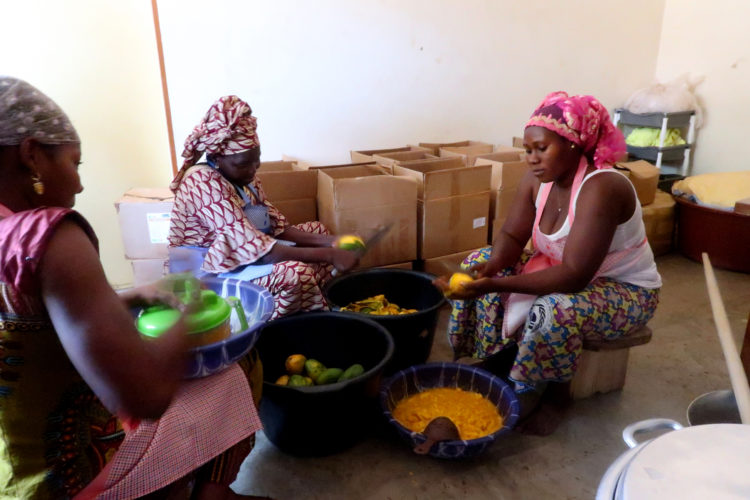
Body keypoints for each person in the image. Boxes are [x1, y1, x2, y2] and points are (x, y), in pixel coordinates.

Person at [0, 76, 261, 499]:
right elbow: (145, 395)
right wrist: (188, 312)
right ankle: (205, 492)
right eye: (74, 162)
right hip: (75, 475)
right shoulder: (46, 236)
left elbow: (27, 324)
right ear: (32, 156)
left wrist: (121, 298)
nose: (80, 184)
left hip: (13, 473)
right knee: (234, 372)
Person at [434, 91, 661, 427]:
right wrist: (491, 267)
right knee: (478, 260)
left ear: (573, 144)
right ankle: (496, 360)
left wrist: (493, 283)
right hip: (566, 271)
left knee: (554, 309)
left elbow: (573, 277)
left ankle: (552, 396)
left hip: (626, 291)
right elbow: (512, 237)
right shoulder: (537, 181)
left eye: (542, 148)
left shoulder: (602, 188)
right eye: (528, 150)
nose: (532, 158)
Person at [168, 96, 358, 318]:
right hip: (208, 275)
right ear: (218, 159)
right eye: (243, 164)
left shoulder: (245, 179)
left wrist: (335, 242)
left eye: (256, 161)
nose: (252, 170)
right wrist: (329, 255)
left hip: (243, 257)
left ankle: (308, 307)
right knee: (295, 273)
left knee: (318, 230)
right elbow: (261, 252)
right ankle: (271, 327)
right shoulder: (202, 181)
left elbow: (276, 227)